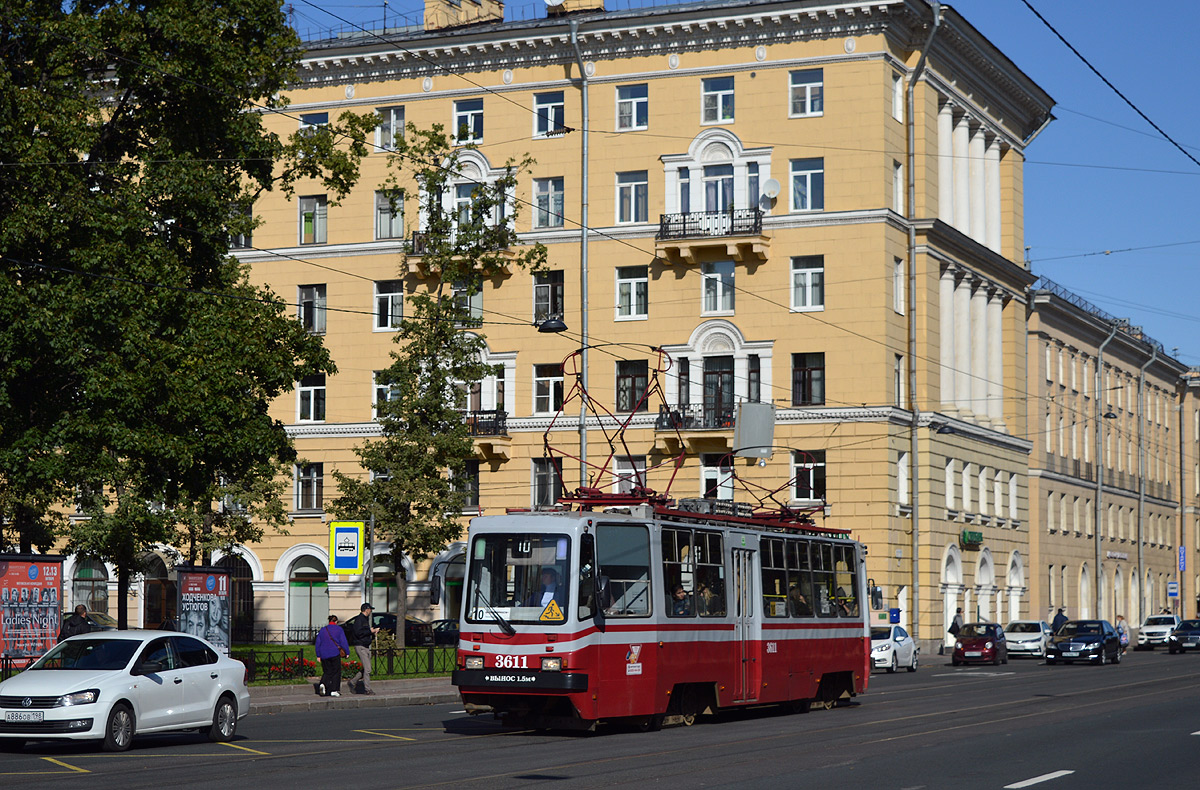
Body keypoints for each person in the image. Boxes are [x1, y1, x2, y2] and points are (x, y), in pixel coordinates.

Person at [344, 603, 380, 695]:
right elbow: (358, 632)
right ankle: (367, 689)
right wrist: (370, 631)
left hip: (365, 646)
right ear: (366, 609)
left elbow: (363, 632)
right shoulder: (359, 619)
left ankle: (352, 682)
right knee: (368, 669)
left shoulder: (364, 619)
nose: (371, 611)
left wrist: (372, 632)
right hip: (360, 646)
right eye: (370, 609)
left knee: (367, 668)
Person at [314, 614, 351, 697]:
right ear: (336, 621)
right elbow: (343, 641)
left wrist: (318, 655)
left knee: (327, 671)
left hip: (324, 654)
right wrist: (347, 652)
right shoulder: (339, 629)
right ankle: (334, 690)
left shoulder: (323, 630)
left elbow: (318, 643)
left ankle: (323, 683)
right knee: (336, 672)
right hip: (334, 653)